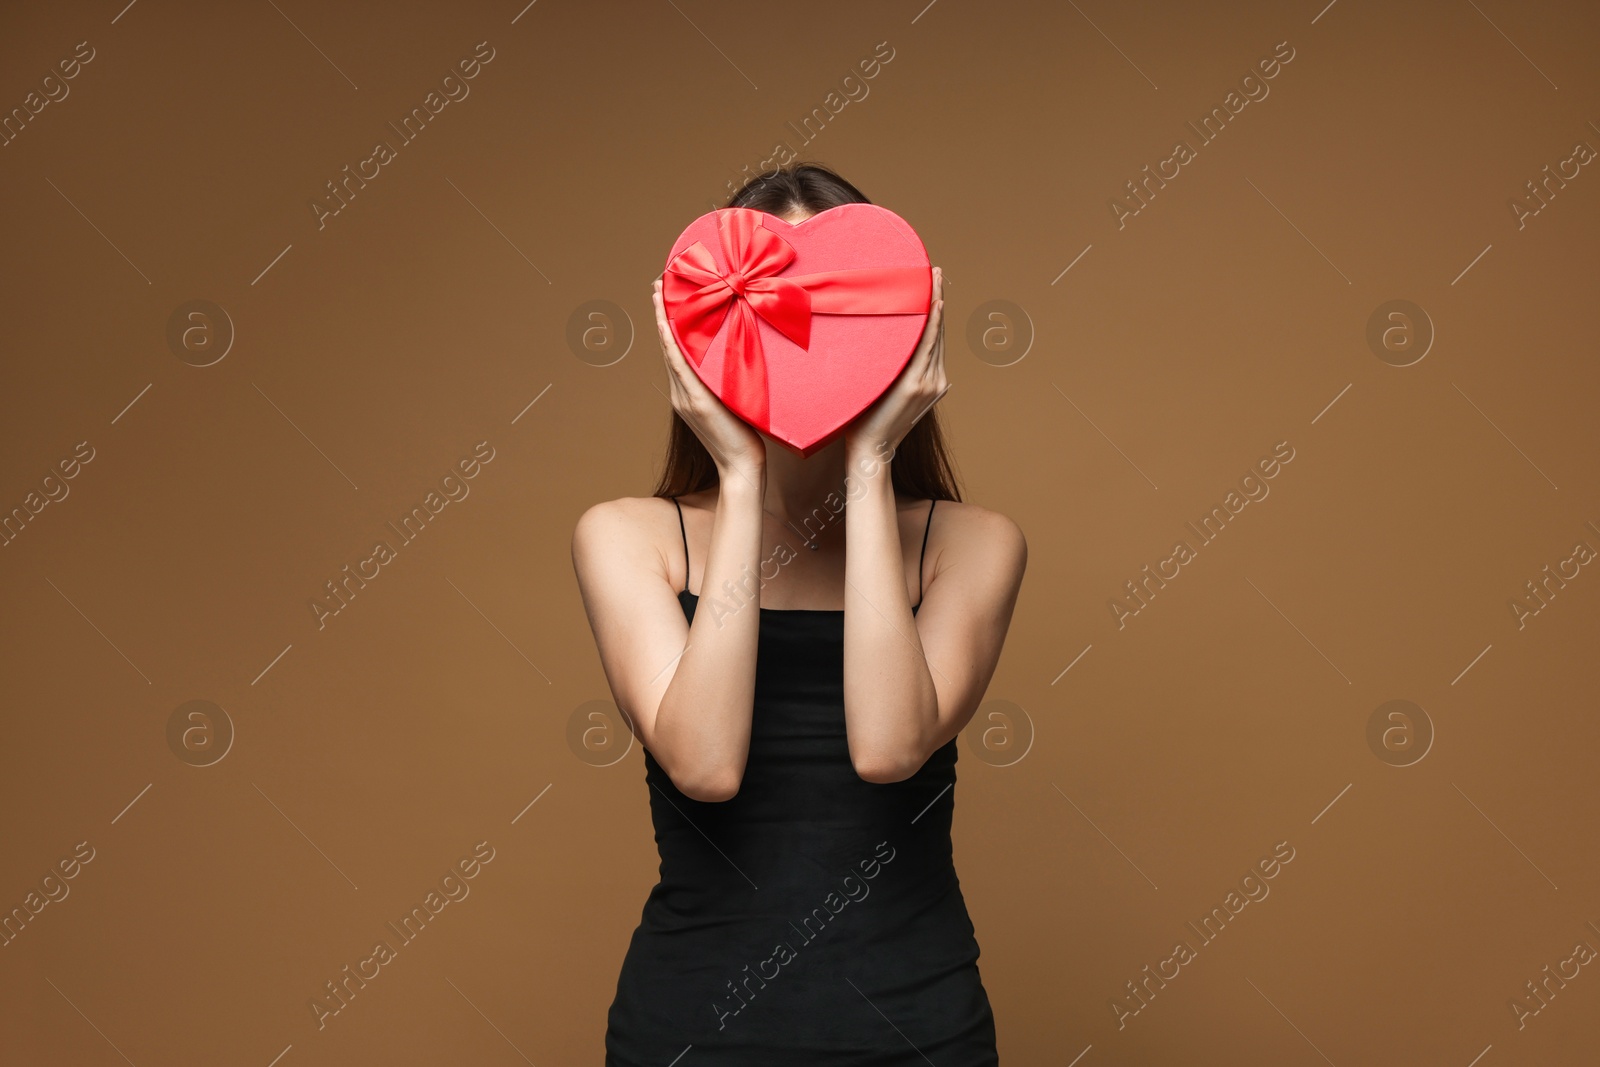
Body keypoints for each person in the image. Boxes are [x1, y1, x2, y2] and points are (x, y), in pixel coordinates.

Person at [572, 162, 1026, 1065]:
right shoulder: (629, 538)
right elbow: (704, 765)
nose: (800, 334)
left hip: (918, 1027)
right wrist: (739, 474)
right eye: (767, 304)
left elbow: (889, 747)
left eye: (834, 307)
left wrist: (870, 462)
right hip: (692, 1029)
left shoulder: (970, 544)